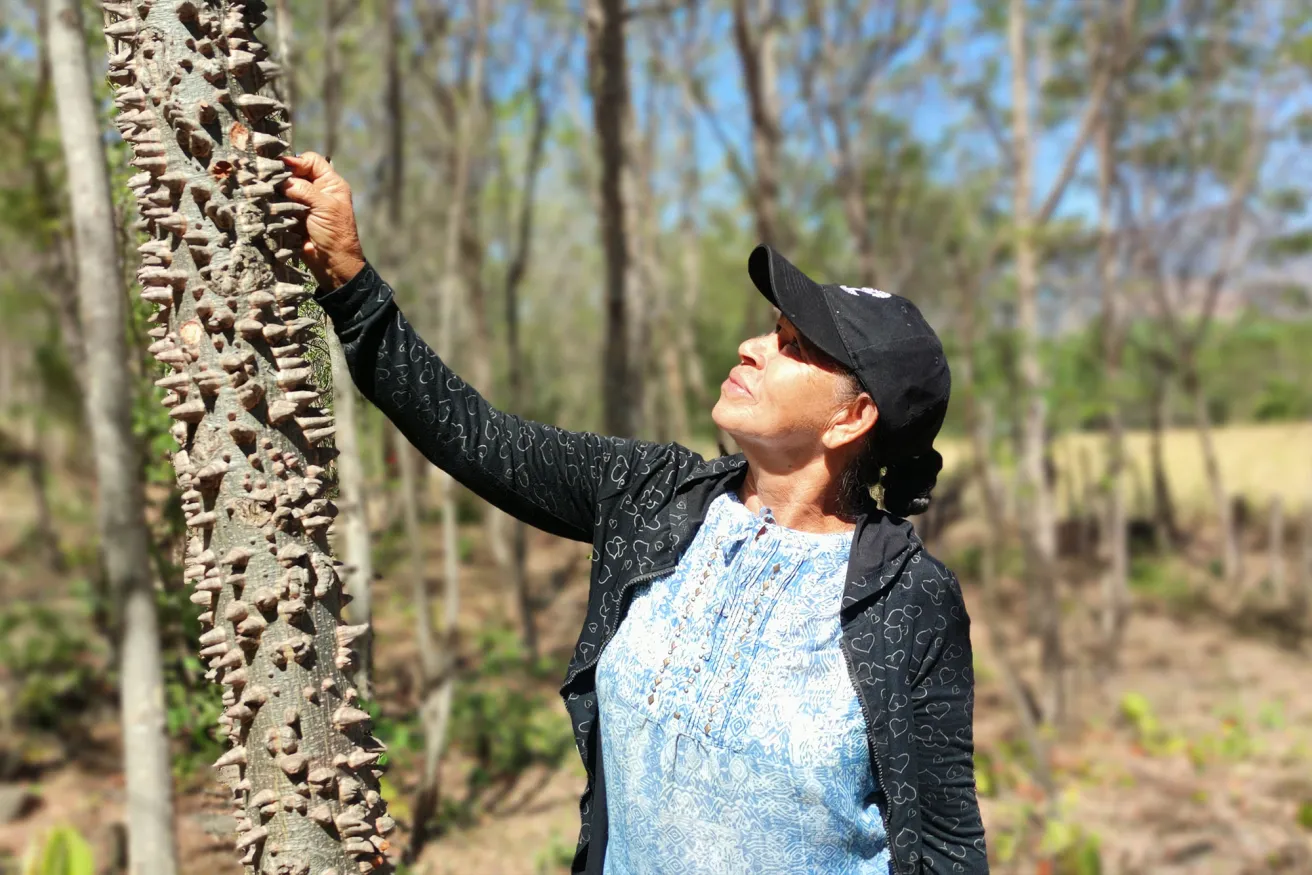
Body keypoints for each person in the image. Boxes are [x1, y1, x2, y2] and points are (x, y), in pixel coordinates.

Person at [281, 152, 987, 875]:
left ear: (853, 417)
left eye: (792, 346)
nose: (751, 347)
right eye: (768, 328)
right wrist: (348, 279)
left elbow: (946, 844)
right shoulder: (652, 495)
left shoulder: (908, 596)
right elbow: (475, 434)